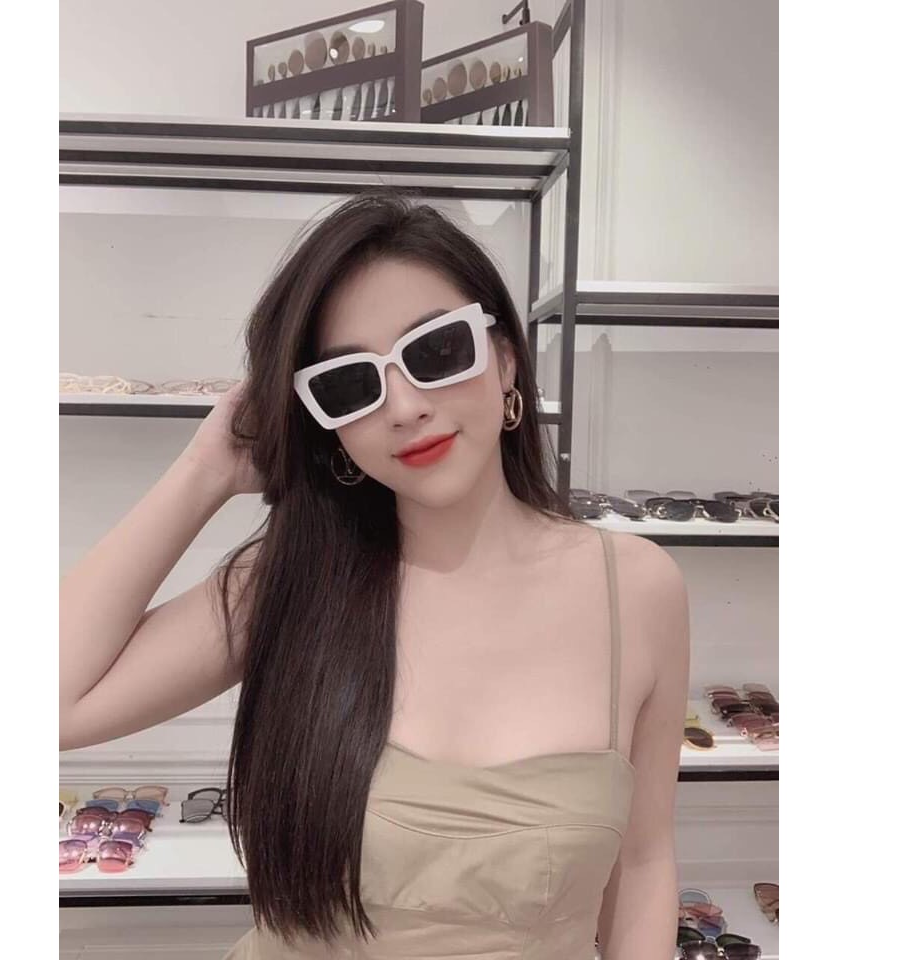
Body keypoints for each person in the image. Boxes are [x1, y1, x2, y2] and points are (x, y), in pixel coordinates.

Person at [59, 189, 690, 960]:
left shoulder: (635, 590)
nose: (403, 406)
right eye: (349, 384)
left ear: (504, 358)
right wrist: (204, 471)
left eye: (436, 351)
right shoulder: (290, 585)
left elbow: (643, 864)